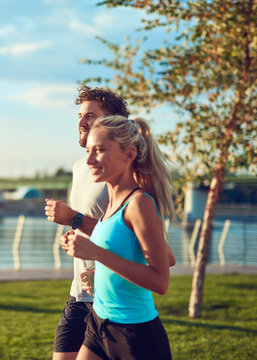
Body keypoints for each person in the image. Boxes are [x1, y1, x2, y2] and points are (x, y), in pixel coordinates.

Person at [61, 115, 176, 360]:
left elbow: (160, 281)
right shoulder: (111, 203)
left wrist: (96, 253)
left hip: (136, 335)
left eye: (100, 151)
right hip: (99, 323)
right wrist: (100, 273)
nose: (89, 160)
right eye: (89, 151)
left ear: (129, 154)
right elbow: (121, 253)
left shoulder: (139, 204)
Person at [44, 85, 130, 360]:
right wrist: (72, 234)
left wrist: (74, 218)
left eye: (90, 116)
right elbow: (90, 222)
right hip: (79, 293)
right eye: (80, 115)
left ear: (113, 123)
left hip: (111, 294)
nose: (81, 122)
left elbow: (129, 237)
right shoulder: (80, 167)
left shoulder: (126, 171)